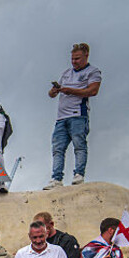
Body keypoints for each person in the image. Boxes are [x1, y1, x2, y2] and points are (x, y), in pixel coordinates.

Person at [44, 43, 102, 189]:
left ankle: (79, 174)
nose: (74, 62)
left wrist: (71, 90)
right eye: (72, 59)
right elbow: (51, 94)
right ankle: (56, 178)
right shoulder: (66, 73)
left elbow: (93, 91)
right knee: (58, 148)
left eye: (77, 58)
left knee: (79, 145)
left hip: (78, 115)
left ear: (86, 56)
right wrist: (55, 91)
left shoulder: (93, 71)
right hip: (61, 117)